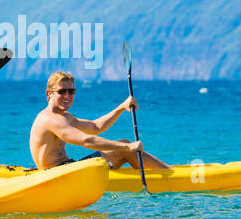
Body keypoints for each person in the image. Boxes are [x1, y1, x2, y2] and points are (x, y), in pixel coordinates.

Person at [29, 71, 172, 171]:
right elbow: (87, 141)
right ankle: (169, 175)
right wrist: (128, 148)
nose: (67, 95)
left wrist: (121, 107)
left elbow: (96, 126)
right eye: (62, 91)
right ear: (49, 93)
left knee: (123, 145)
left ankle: (155, 174)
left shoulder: (64, 117)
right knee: (125, 147)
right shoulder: (52, 119)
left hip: (66, 169)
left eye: (71, 91)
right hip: (60, 175)